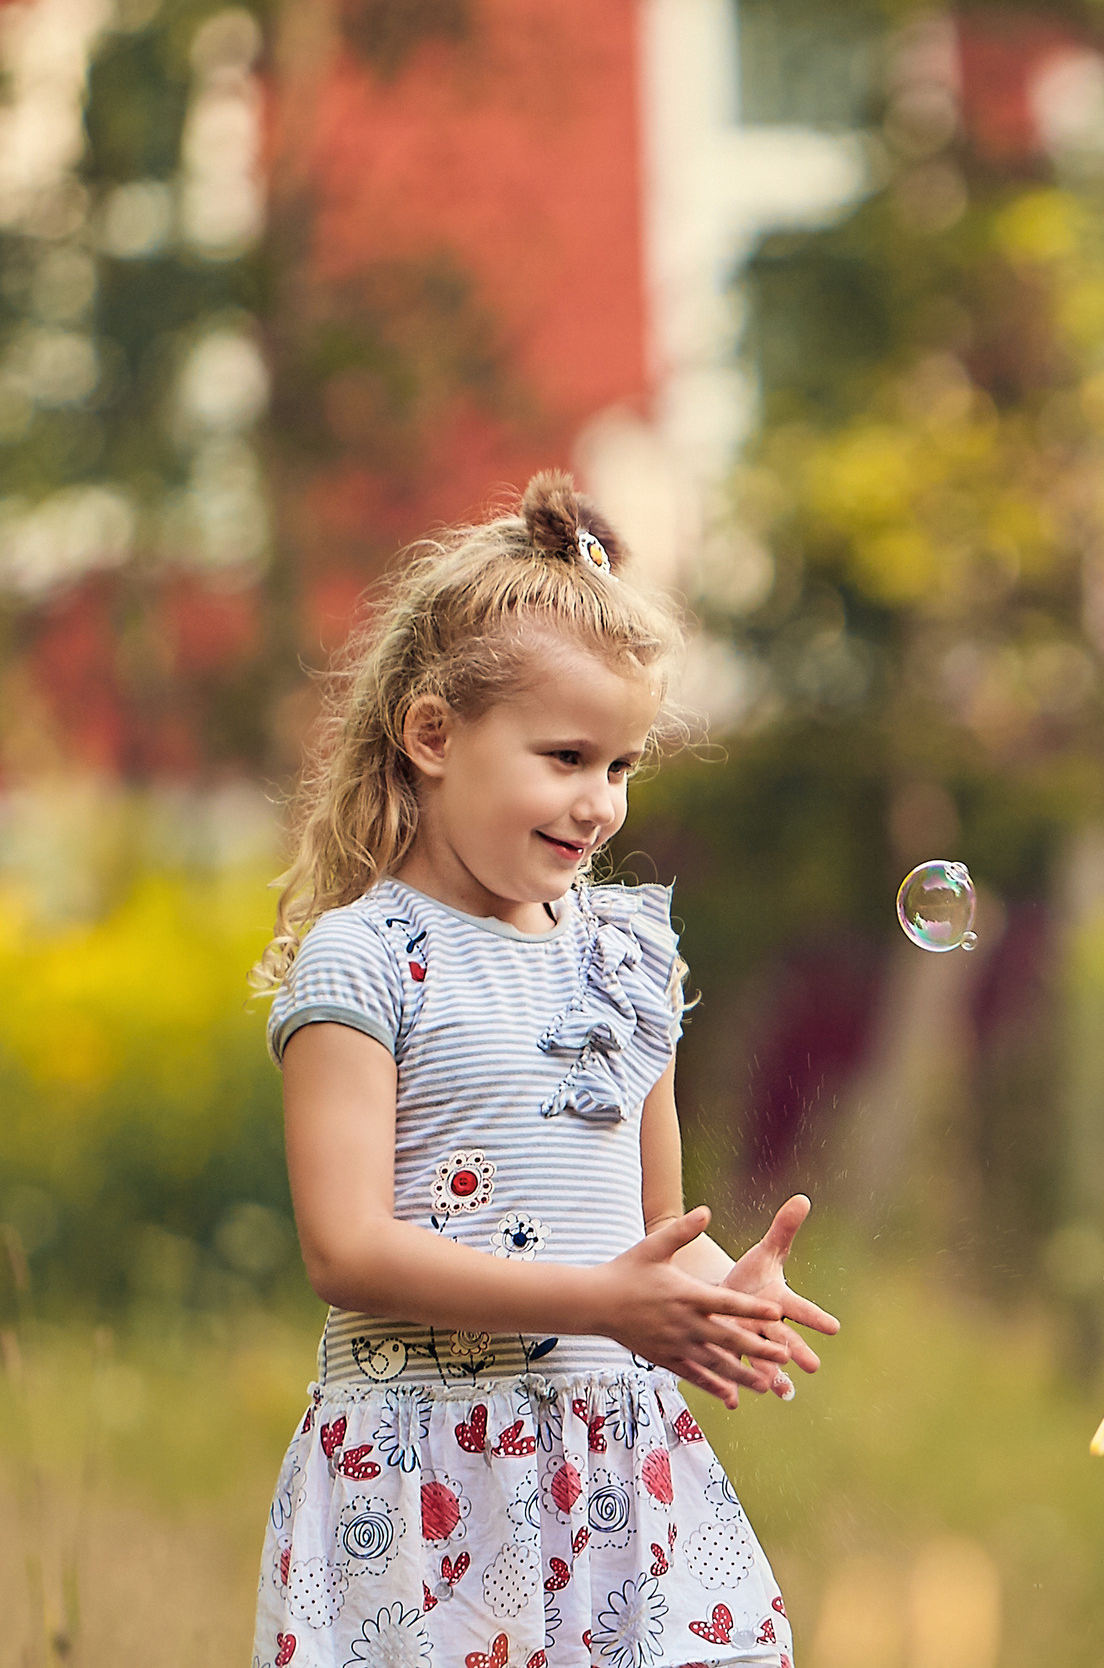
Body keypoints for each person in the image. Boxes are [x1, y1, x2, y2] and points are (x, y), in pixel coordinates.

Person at [249, 474, 837, 1668]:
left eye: (621, 766)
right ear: (430, 736)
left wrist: (718, 1292)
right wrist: (603, 1305)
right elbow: (343, 1251)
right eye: (566, 756)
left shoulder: (626, 959)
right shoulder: (367, 957)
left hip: (611, 1466)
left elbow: (652, 1229)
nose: (600, 804)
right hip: (426, 1479)